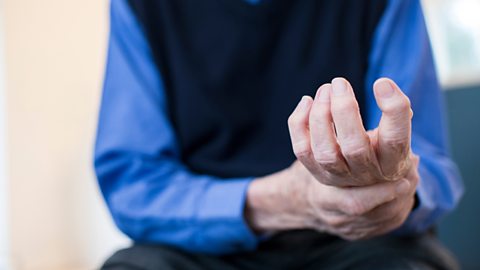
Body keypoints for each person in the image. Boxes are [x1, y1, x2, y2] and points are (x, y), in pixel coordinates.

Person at [94, 0, 464, 269]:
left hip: (361, 246)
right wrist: (286, 201)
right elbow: (133, 186)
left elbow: (429, 166)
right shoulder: (142, 7)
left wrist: (395, 191)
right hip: (198, 251)